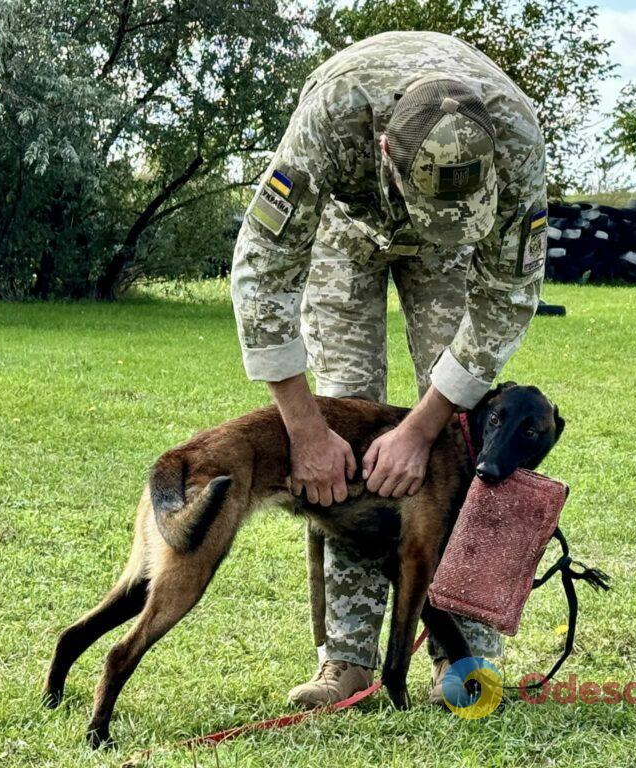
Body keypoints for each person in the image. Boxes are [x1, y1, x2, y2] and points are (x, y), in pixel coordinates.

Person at [230, 30, 547, 707]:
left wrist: (426, 426)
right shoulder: (331, 118)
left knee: (472, 428)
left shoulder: (516, 135)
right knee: (345, 427)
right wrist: (307, 431)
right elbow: (262, 275)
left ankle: (466, 654)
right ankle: (346, 658)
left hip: (459, 249)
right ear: (384, 150)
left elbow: (506, 298)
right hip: (348, 231)